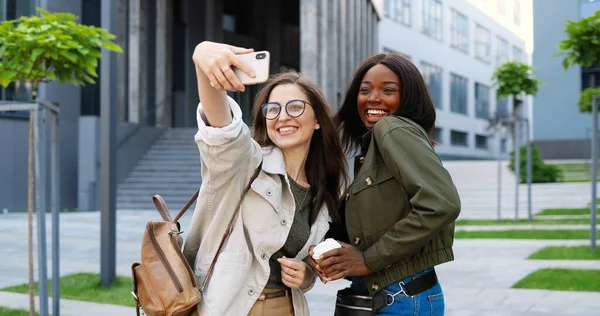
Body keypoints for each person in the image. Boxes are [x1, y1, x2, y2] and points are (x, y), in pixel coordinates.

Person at [182, 41, 348, 316]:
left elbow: (312, 253)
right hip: (227, 307)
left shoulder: (329, 185)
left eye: (295, 107)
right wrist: (202, 59)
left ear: (318, 119)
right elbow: (223, 132)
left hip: (286, 307)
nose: (283, 117)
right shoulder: (245, 161)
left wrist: (308, 274)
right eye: (272, 109)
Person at [313, 53, 461, 315]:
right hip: (394, 294)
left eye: (388, 90)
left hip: (400, 297)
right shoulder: (373, 148)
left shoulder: (391, 129)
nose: (373, 98)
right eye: (365, 90)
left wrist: (369, 260)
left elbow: (441, 203)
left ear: (408, 98)